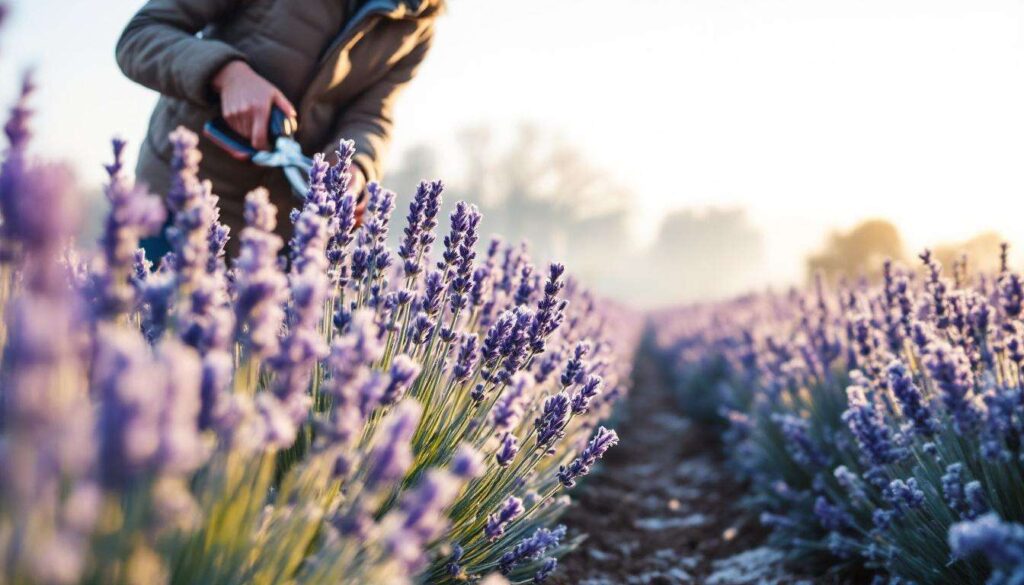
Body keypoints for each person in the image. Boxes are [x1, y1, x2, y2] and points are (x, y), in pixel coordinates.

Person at [116, 0, 441, 252]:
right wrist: (228, 74)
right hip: (174, 203)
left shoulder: (418, 21)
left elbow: (372, 115)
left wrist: (357, 168)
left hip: (279, 232)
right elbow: (141, 36)